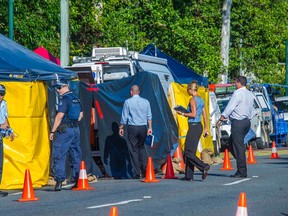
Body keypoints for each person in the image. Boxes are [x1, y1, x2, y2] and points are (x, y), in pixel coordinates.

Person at [216, 76, 254, 178]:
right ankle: (241, 163)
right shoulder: (250, 94)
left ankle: (242, 171)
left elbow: (230, 107)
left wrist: (221, 118)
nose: (234, 85)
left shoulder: (237, 94)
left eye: (235, 83)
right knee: (232, 143)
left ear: (239, 83)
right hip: (246, 121)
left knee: (238, 147)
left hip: (238, 123)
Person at [49, 79, 83, 191]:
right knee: (75, 154)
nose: (57, 90)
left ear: (64, 87)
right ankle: (78, 179)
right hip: (75, 129)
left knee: (59, 154)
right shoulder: (76, 98)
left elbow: (59, 116)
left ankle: (59, 181)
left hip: (65, 129)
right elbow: (81, 115)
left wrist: (53, 131)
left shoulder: (64, 98)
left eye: (59, 88)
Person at [176, 80, 210, 181]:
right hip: (199, 126)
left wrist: (182, 113)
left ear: (191, 90)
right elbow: (204, 116)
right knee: (191, 151)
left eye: (188, 90)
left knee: (187, 152)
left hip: (193, 125)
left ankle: (203, 166)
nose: (187, 92)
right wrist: (206, 128)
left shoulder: (193, 100)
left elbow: (193, 114)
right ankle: (189, 175)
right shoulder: (201, 99)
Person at [119, 85, 152, 179]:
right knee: (142, 148)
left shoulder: (128, 102)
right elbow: (149, 116)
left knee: (134, 149)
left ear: (131, 92)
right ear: (139, 91)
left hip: (132, 127)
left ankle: (137, 172)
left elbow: (124, 117)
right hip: (143, 127)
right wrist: (150, 127)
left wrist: (121, 127)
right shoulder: (146, 101)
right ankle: (145, 169)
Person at [0, 84, 14, 197]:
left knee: (0, 166)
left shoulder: (4, 104)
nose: (0, 96)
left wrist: (10, 131)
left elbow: (5, 120)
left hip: (0, 137)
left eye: (2, 94)